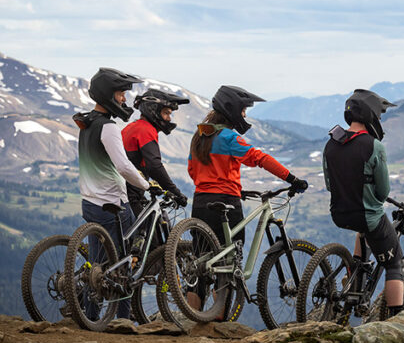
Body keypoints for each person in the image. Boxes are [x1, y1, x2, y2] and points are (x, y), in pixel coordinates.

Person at [187, 83, 309, 254]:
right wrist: (292, 179)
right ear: (233, 110)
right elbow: (261, 159)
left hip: (200, 203)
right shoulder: (229, 137)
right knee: (232, 257)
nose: (244, 115)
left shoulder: (198, 137)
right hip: (225, 203)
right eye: (243, 110)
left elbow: (192, 171)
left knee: (204, 256)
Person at [72, 67, 154, 320]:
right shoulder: (108, 127)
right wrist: (146, 185)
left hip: (90, 202)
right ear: (109, 94)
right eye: (121, 94)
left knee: (97, 266)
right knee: (123, 264)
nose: (124, 100)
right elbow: (123, 166)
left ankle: (91, 316)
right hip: (113, 203)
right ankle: (122, 319)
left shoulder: (86, 124)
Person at [321, 89, 404, 317]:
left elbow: (330, 185)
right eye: (378, 116)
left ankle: (356, 278)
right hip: (367, 215)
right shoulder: (373, 146)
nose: (379, 121)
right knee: (394, 264)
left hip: (339, 213)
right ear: (370, 115)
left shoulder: (331, 144)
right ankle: (398, 319)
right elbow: (383, 191)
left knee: (362, 233)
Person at [122, 88, 191, 217]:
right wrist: (176, 192)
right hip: (130, 196)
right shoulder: (146, 130)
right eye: (166, 113)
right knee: (151, 233)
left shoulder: (132, 127)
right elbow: (154, 166)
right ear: (153, 109)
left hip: (123, 192)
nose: (169, 119)